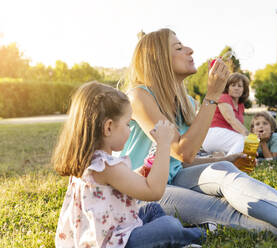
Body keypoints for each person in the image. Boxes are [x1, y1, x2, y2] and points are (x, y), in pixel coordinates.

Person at [121, 28, 277, 247]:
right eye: (178, 47)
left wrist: (229, 159)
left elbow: (182, 162)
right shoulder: (140, 96)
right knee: (219, 209)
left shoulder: (186, 102)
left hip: (174, 176)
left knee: (223, 168)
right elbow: (180, 150)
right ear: (158, 59)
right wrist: (214, 95)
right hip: (143, 189)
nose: (190, 49)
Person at [52, 82, 205, 248]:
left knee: (152, 210)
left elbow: (123, 184)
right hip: (116, 244)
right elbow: (154, 191)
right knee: (169, 225)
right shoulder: (106, 166)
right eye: (127, 124)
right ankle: (198, 235)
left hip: (110, 233)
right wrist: (163, 145)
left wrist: (145, 169)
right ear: (108, 127)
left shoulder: (89, 161)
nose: (130, 130)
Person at [202, 72, 250, 155]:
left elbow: (238, 128)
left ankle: (221, 159)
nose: (236, 88)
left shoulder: (240, 105)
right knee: (244, 140)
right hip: (214, 134)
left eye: (239, 86)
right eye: (233, 85)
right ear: (228, 88)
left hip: (225, 137)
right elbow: (231, 119)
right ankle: (229, 163)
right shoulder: (224, 97)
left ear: (244, 90)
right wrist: (249, 135)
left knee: (245, 145)